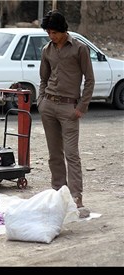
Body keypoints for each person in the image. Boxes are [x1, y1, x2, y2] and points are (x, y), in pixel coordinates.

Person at [37, 10, 95, 210]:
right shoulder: (47, 50)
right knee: (54, 154)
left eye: (54, 32)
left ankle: (76, 196)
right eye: (48, 32)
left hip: (69, 108)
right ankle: (58, 193)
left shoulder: (79, 49)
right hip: (49, 106)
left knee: (71, 154)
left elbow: (90, 79)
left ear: (63, 30)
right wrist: (41, 101)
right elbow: (43, 79)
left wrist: (82, 107)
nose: (51, 36)